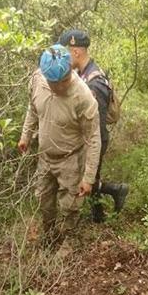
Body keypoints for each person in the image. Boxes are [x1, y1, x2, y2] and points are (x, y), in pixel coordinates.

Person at [18, 45, 101, 247]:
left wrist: (88, 178)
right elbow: (32, 108)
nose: (61, 86)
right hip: (45, 157)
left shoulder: (83, 97)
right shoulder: (37, 79)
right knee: (43, 200)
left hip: (71, 159)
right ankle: (49, 236)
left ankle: (69, 242)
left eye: (65, 80)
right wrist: (25, 136)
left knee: (70, 205)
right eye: (55, 83)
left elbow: (93, 138)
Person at [57, 29, 129, 223]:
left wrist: (88, 148)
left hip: (94, 140)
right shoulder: (85, 72)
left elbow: (95, 125)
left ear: (75, 52)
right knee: (91, 177)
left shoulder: (94, 83)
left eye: (65, 53)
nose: (63, 58)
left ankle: (116, 191)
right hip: (91, 139)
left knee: (87, 179)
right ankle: (99, 215)